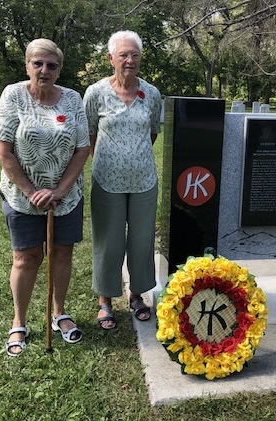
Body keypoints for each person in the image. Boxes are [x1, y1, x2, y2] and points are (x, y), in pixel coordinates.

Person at [0, 38, 90, 356]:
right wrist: (31, 191)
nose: (44, 70)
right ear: (27, 65)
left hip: (66, 197)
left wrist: (60, 190)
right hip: (23, 197)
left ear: (59, 69)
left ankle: (59, 313)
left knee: (62, 254)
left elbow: (82, 148)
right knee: (26, 257)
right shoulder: (13, 95)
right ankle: (19, 321)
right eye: (38, 63)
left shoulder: (73, 99)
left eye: (51, 65)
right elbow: (3, 151)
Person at [83, 30, 162, 330]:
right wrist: (109, 161)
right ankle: (105, 301)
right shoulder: (95, 93)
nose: (130, 60)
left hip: (144, 180)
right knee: (109, 242)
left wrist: (133, 157)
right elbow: (89, 134)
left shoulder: (151, 94)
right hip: (107, 180)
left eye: (135, 55)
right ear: (111, 58)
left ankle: (137, 296)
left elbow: (152, 132)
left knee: (142, 242)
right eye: (124, 55)